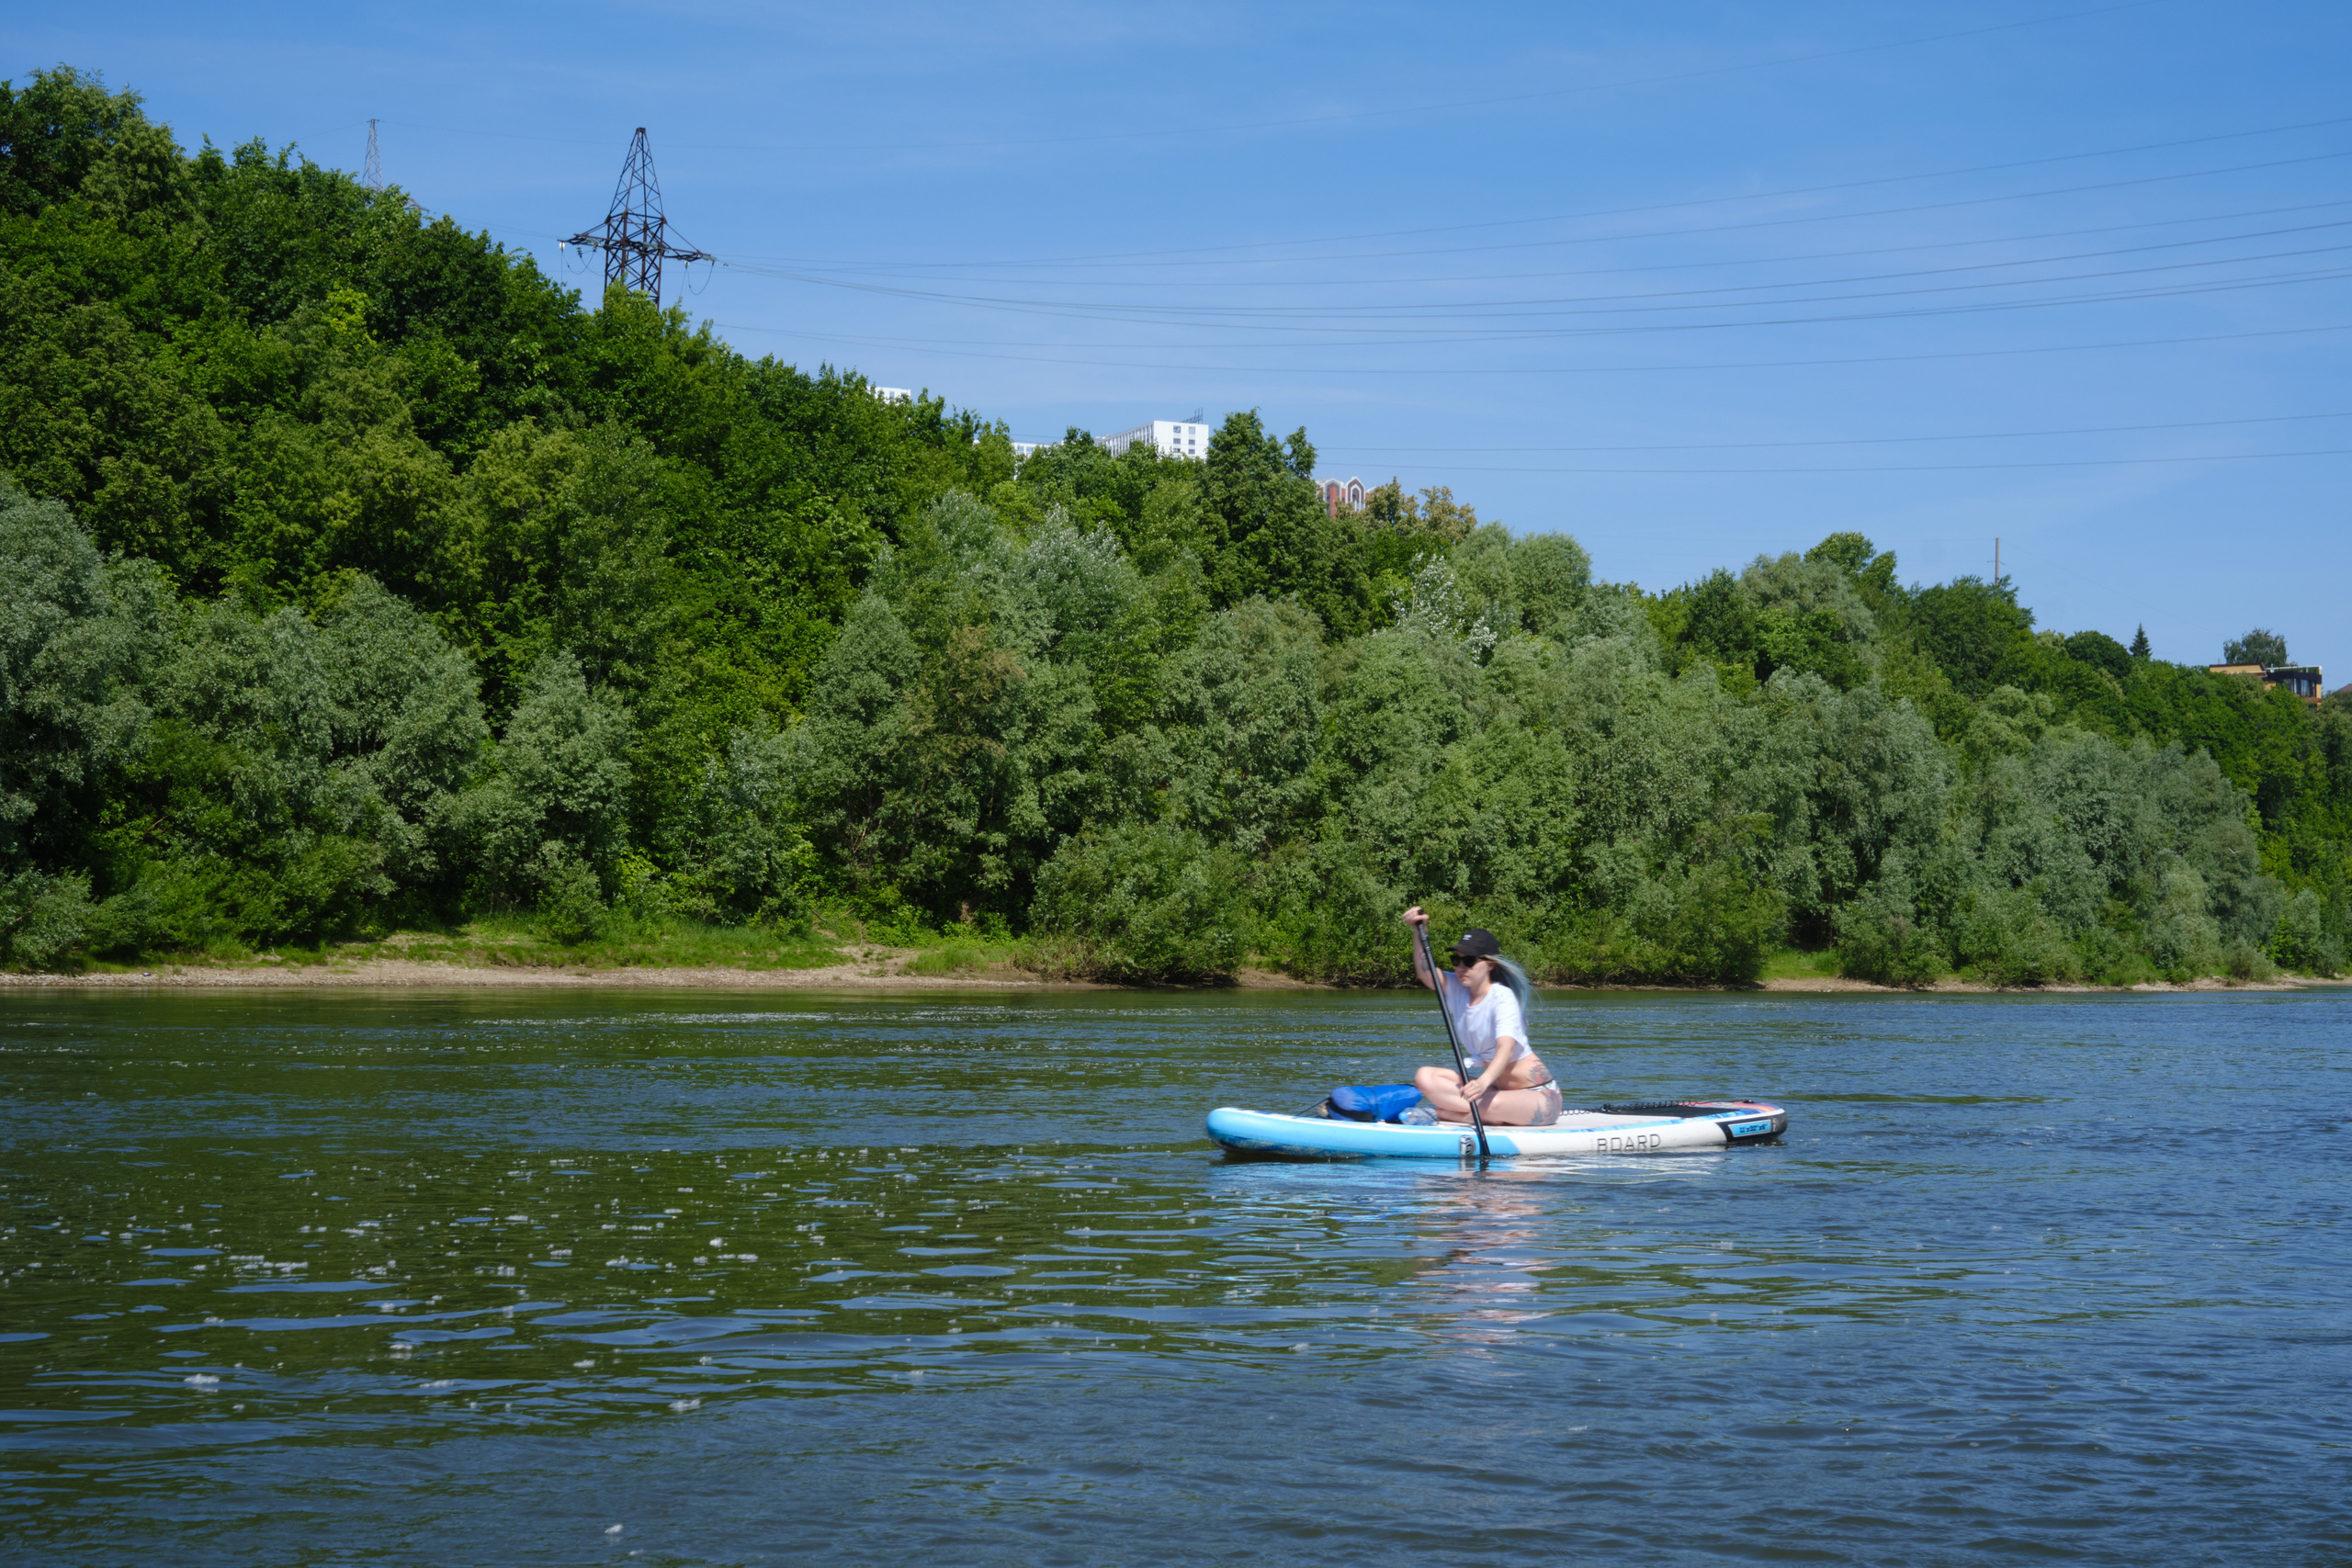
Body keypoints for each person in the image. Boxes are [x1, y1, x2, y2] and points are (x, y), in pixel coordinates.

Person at [1400, 908, 1562, 1127]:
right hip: (1496, 1091)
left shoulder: (1502, 997)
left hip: (1540, 1097)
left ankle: (1440, 1114)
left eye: (1469, 961)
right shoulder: (1457, 988)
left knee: (1491, 1105)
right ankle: (1468, 1112)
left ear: (1490, 963)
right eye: (1456, 961)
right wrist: (1419, 931)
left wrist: (1483, 1082)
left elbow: (1505, 1049)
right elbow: (1424, 972)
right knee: (1424, 1077)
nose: (1460, 967)